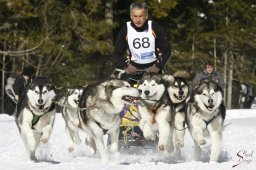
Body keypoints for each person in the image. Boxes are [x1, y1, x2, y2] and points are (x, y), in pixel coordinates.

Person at [114, 2, 171, 83]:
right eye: (135, 16)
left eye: (141, 16)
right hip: (133, 70)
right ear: (131, 16)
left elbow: (167, 50)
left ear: (146, 16)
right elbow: (117, 54)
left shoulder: (154, 26)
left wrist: (157, 66)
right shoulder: (126, 28)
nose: (137, 20)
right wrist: (126, 66)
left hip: (154, 70)